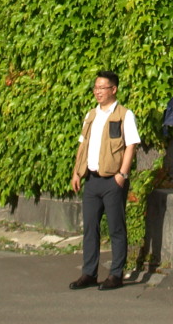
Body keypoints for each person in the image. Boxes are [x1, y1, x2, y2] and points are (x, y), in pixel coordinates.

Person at [69, 70, 140, 290]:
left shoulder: (124, 115)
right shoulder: (91, 115)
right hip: (92, 179)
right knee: (90, 228)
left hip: (112, 181)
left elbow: (131, 145)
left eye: (102, 88)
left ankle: (116, 274)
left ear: (113, 89)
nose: (98, 92)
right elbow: (83, 144)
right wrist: (76, 172)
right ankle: (89, 273)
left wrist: (122, 175)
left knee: (116, 228)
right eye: (96, 88)